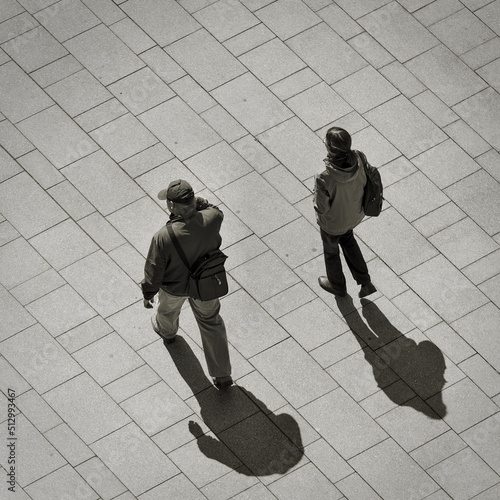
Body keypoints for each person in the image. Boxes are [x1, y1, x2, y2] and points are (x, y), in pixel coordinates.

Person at [141, 179, 232, 389]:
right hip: (206, 283)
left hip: (175, 287)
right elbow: (214, 208)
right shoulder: (213, 218)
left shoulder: (163, 236)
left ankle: (168, 333)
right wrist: (197, 203)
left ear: (172, 206)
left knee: (167, 312)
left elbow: (154, 269)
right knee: (211, 322)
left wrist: (148, 293)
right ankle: (222, 374)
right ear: (193, 200)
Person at [314, 127, 377, 298]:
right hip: (354, 214)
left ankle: (337, 286)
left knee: (331, 252)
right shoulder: (359, 157)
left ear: (330, 149)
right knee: (349, 241)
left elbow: (322, 208)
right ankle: (365, 281)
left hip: (333, 223)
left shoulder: (324, 176)